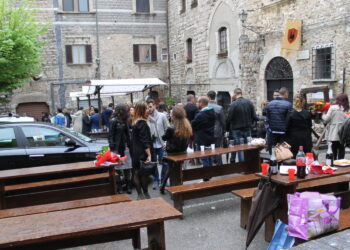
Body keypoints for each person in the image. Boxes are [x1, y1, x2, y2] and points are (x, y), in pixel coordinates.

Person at [160, 106, 192, 193]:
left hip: (172, 153)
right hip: (183, 152)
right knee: (177, 169)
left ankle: (167, 186)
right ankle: (172, 186)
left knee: (171, 169)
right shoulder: (186, 125)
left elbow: (164, 137)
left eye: (171, 113)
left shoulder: (171, 128)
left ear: (174, 115)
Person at [226, 88, 257, 162]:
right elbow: (254, 117)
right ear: (241, 93)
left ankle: (242, 164)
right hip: (247, 128)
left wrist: (227, 129)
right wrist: (251, 124)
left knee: (240, 147)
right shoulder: (249, 102)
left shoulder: (233, 104)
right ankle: (247, 163)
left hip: (236, 129)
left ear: (235, 94)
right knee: (247, 147)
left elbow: (228, 118)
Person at [109, 104, 132, 194]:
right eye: (126, 110)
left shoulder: (125, 121)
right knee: (118, 168)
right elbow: (111, 135)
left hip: (125, 146)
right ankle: (119, 186)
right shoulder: (113, 121)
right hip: (117, 148)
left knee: (127, 167)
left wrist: (130, 144)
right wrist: (112, 147)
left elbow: (127, 134)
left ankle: (128, 185)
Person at [131, 101, 152, 200]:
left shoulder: (135, 122)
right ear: (142, 110)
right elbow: (145, 141)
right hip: (142, 151)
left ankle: (140, 194)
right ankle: (145, 193)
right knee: (144, 173)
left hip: (135, 151)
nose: (148, 110)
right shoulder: (142, 123)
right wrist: (149, 154)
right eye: (147, 108)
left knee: (136, 173)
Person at [191, 96, 215, 181]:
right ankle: (209, 173)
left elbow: (193, 124)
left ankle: (206, 176)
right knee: (209, 156)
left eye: (198, 102)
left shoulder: (201, 114)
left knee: (204, 156)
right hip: (210, 137)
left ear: (201, 103)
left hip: (202, 138)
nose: (197, 103)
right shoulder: (212, 111)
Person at [147, 99, 169, 189]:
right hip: (152, 144)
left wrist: (166, 142)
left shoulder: (162, 116)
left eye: (150, 107)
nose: (149, 109)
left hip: (161, 143)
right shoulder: (146, 118)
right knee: (154, 163)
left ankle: (164, 179)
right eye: (148, 107)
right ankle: (156, 179)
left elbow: (167, 129)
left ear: (155, 106)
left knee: (164, 162)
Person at [322, 93, 349, 160]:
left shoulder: (333, 108)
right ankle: (341, 165)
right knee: (341, 149)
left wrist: (323, 114)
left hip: (333, 132)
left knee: (333, 149)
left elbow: (326, 119)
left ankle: (333, 164)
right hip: (343, 132)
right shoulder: (347, 109)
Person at [266, 87, 292, 153]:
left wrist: (268, 128)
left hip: (272, 131)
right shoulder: (288, 104)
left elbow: (267, 118)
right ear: (286, 94)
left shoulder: (270, 104)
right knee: (283, 153)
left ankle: (273, 162)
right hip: (284, 133)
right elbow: (289, 120)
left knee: (273, 153)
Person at [207, 90, 225, 165]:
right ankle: (219, 164)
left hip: (208, 131)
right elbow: (223, 121)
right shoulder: (219, 108)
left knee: (209, 149)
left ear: (208, 97)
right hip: (218, 131)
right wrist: (224, 131)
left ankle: (210, 165)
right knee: (218, 148)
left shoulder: (206, 107)